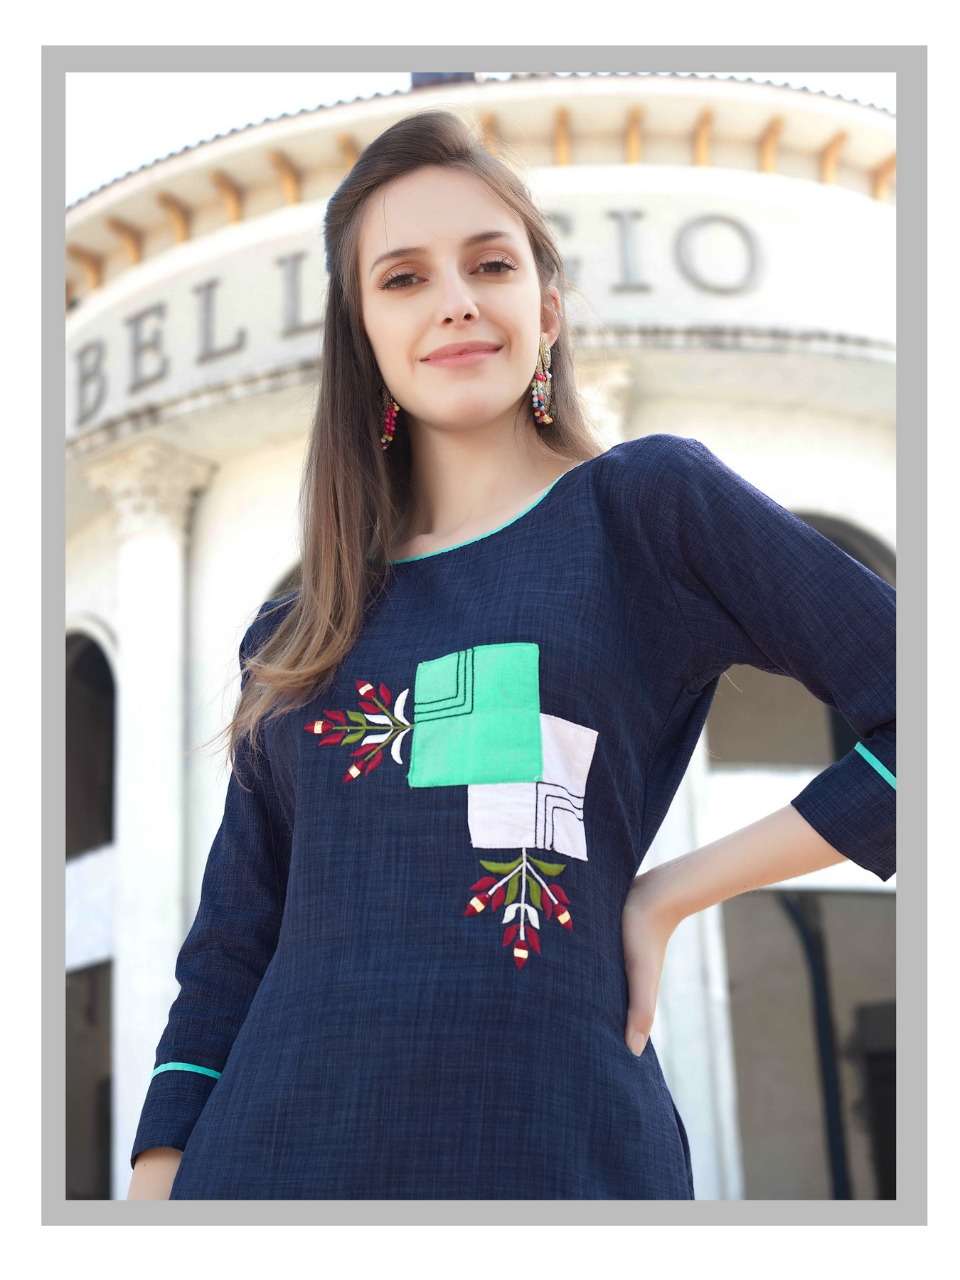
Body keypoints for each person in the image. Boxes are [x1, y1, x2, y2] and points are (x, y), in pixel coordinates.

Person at [126, 109, 896, 1201]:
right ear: (362, 335)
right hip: (268, 1167)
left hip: (553, 1147)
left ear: (547, 306)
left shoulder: (645, 511)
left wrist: (666, 893)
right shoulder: (294, 635)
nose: (454, 299)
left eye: (489, 263)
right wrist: (154, 1194)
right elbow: (230, 949)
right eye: (403, 278)